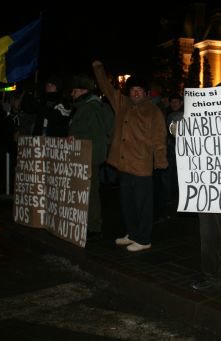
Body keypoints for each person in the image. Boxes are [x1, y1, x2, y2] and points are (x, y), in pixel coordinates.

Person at [92, 60, 168, 252]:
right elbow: (106, 88)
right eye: (133, 90)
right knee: (127, 203)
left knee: (143, 204)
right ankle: (133, 233)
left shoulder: (153, 110)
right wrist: (98, 69)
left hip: (142, 165)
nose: (135, 93)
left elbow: (160, 137)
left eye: (139, 90)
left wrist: (160, 161)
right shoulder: (122, 103)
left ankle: (144, 239)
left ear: (145, 93)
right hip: (123, 164)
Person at [68, 73, 114, 242]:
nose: (72, 94)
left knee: (90, 192)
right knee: (88, 191)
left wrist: (77, 141)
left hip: (89, 157)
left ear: (82, 91)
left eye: (74, 90)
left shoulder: (90, 108)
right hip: (85, 156)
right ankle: (89, 223)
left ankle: (93, 226)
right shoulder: (85, 106)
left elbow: (96, 136)